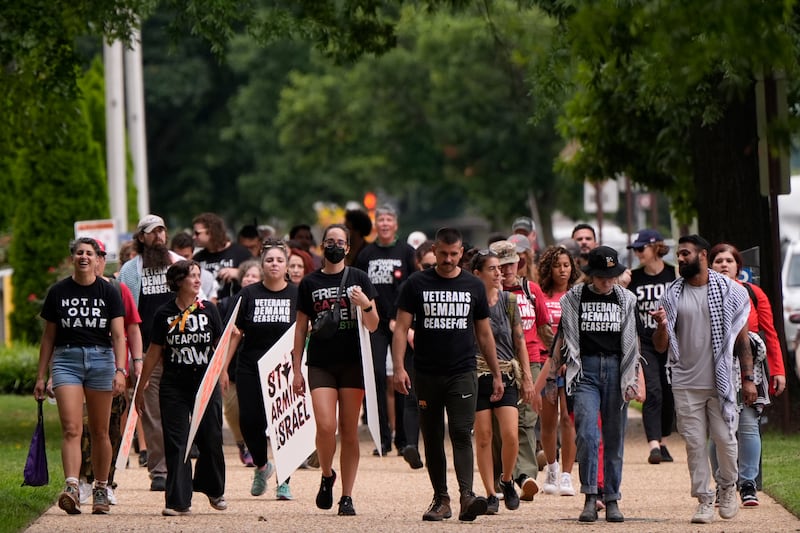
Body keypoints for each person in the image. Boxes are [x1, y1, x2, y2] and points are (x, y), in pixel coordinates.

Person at [392, 227, 503, 523]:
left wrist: (496, 372)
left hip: (462, 370)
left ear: (462, 254)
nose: (448, 259)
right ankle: (441, 498)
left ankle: (467, 495)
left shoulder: (473, 286)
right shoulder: (417, 284)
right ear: (435, 250)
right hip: (427, 371)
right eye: (443, 254)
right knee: (431, 435)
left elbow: (484, 332)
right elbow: (401, 328)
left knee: (461, 432)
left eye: (454, 254)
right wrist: (400, 367)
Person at [652, 234, 757, 524]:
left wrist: (748, 378)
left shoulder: (731, 292)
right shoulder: (672, 294)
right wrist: (661, 325)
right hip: (685, 382)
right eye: (678, 254)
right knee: (695, 445)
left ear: (702, 255)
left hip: (721, 382)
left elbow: (742, 339)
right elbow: (661, 346)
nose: (680, 258)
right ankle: (704, 500)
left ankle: (726, 488)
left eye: (685, 253)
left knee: (725, 440)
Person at [34, 237, 127, 515]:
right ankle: (72, 487)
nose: (84, 257)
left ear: (98, 258)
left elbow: (120, 335)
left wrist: (121, 369)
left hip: (101, 359)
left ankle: (100, 486)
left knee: (100, 430)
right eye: (79, 253)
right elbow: (48, 337)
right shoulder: (58, 291)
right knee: (72, 428)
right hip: (66, 360)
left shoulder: (109, 292)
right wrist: (41, 376)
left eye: (89, 253)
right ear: (72, 257)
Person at [292, 224, 379, 516]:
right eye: (330, 241)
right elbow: (301, 328)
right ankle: (327, 474)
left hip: (353, 361)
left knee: (349, 431)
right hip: (320, 362)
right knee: (326, 425)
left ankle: (347, 496)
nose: (334, 246)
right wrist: (296, 369)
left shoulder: (359, 278)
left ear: (348, 247)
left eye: (340, 241)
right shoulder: (309, 283)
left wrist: (365, 304)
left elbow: (374, 324)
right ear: (322, 246)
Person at [552, 245, 642, 523]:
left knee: (614, 437)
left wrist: (637, 378)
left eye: (611, 275)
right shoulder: (573, 299)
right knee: (588, 435)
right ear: (591, 275)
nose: (607, 281)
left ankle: (612, 497)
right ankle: (591, 496)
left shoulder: (626, 299)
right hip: (585, 371)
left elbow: (635, 343)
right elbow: (560, 340)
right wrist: (550, 380)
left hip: (617, 370)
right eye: (602, 276)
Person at [135, 260, 226, 516]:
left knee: (211, 438)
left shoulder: (209, 310)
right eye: (192, 276)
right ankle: (177, 501)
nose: (198, 280)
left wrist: (224, 372)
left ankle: (213, 488)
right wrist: (141, 388)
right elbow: (153, 353)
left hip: (205, 385)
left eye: (199, 275)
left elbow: (219, 347)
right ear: (178, 282)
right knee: (177, 443)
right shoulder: (163, 314)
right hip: (174, 385)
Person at [708, 242, 786, 506]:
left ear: (738, 266)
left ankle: (748, 483)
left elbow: (770, 332)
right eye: (718, 261)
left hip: (750, 366)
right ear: (710, 266)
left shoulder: (753, 293)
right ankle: (722, 484)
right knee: (718, 429)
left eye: (729, 261)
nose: (724, 265)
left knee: (748, 424)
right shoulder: (704, 295)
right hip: (715, 367)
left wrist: (778, 371)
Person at [227, 241, 297, 500]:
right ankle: (261, 466)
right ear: (262, 264)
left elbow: (305, 330)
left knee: (283, 426)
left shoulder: (297, 294)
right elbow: (235, 334)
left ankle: (284, 481)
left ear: (286, 265)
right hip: (250, 367)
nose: (274, 264)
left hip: (285, 369)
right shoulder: (248, 295)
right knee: (250, 422)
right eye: (269, 260)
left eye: (279, 260)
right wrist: (223, 369)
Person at [119, 214, 183, 491]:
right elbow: (125, 317)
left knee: (180, 410)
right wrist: (132, 357)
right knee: (152, 412)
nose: (158, 236)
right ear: (142, 237)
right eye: (151, 232)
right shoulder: (130, 271)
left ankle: (180, 465)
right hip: (148, 352)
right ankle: (159, 470)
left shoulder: (180, 265)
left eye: (161, 231)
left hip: (183, 350)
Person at [76, 239, 143, 506]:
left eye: (98, 255)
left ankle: (106, 481)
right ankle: (82, 480)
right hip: (80, 367)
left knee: (110, 428)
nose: (94, 259)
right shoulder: (73, 288)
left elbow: (133, 328)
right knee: (81, 427)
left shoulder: (117, 289)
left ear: (102, 259)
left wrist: (135, 361)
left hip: (113, 368)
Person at [470, 249, 535, 515]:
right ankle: (489, 492)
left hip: (507, 373)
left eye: (500, 268)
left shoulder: (509, 301)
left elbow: (519, 342)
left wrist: (527, 378)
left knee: (510, 434)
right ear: (477, 274)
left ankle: (506, 479)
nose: (499, 273)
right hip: (477, 374)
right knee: (483, 436)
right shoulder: (471, 302)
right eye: (492, 269)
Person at [488, 239, 551, 501]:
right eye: (501, 265)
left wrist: (557, 358)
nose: (507, 269)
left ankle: (525, 475)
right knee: (498, 421)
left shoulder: (531, 290)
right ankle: (503, 475)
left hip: (532, 360)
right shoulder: (489, 294)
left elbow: (545, 328)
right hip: (499, 361)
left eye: (511, 263)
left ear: (518, 262)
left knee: (526, 418)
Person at [355, 204, 417, 456]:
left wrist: (403, 320)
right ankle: (382, 438)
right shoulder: (366, 254)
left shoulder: (407, 252)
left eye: (389, 219)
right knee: (378, 374)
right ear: (375, 224)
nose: (384, 223)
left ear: (396, 225)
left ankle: (404, 438)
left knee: (402, 376)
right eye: (380, 219)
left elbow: (414, 286)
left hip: (401, 321)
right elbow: (359, 286)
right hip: (375, 322)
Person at [626, 229, 677, 464]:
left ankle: (663, 440)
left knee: (669, 392)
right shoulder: (633, 279)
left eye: (641, 248)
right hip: (644, 342)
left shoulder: (673, 274)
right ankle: (654, 444)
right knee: (653, 390)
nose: (637, 253)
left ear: (656, 247)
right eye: (635, 249)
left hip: (671, 341)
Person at [535, 245, 581, 497]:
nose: (562, 270)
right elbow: (539, 330)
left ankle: (566, 474)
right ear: (548, 268)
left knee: (568, 419)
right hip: (547, 364)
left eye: (566, 265)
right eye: (557, 265)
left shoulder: (577, 295)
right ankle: (551, 468)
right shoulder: (541, 295)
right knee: (548, 420)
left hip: (572, 365)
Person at [216, 259, 260, 469]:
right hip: (232, 365)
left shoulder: (263, 302)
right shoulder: (227, 304)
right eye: (247, 276)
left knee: (253, 412)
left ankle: (254, 447)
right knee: (232, 410)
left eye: (254, 276)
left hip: (255, 364)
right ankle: (242, 444)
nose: (250, 279)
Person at [192, 212, 252, 299]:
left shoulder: (240, 252)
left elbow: (258, 276)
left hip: (234, 306)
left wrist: (239, 273)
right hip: (207, 308)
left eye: (197, 233)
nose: (194, 237)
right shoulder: (197, 258)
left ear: (211, 232)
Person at [171, 232, 218, 304]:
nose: (181, 260)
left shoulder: (207, 278)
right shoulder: (168, 277)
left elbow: (212, 306)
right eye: (178, 256)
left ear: (193, 254)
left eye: (186, 256)